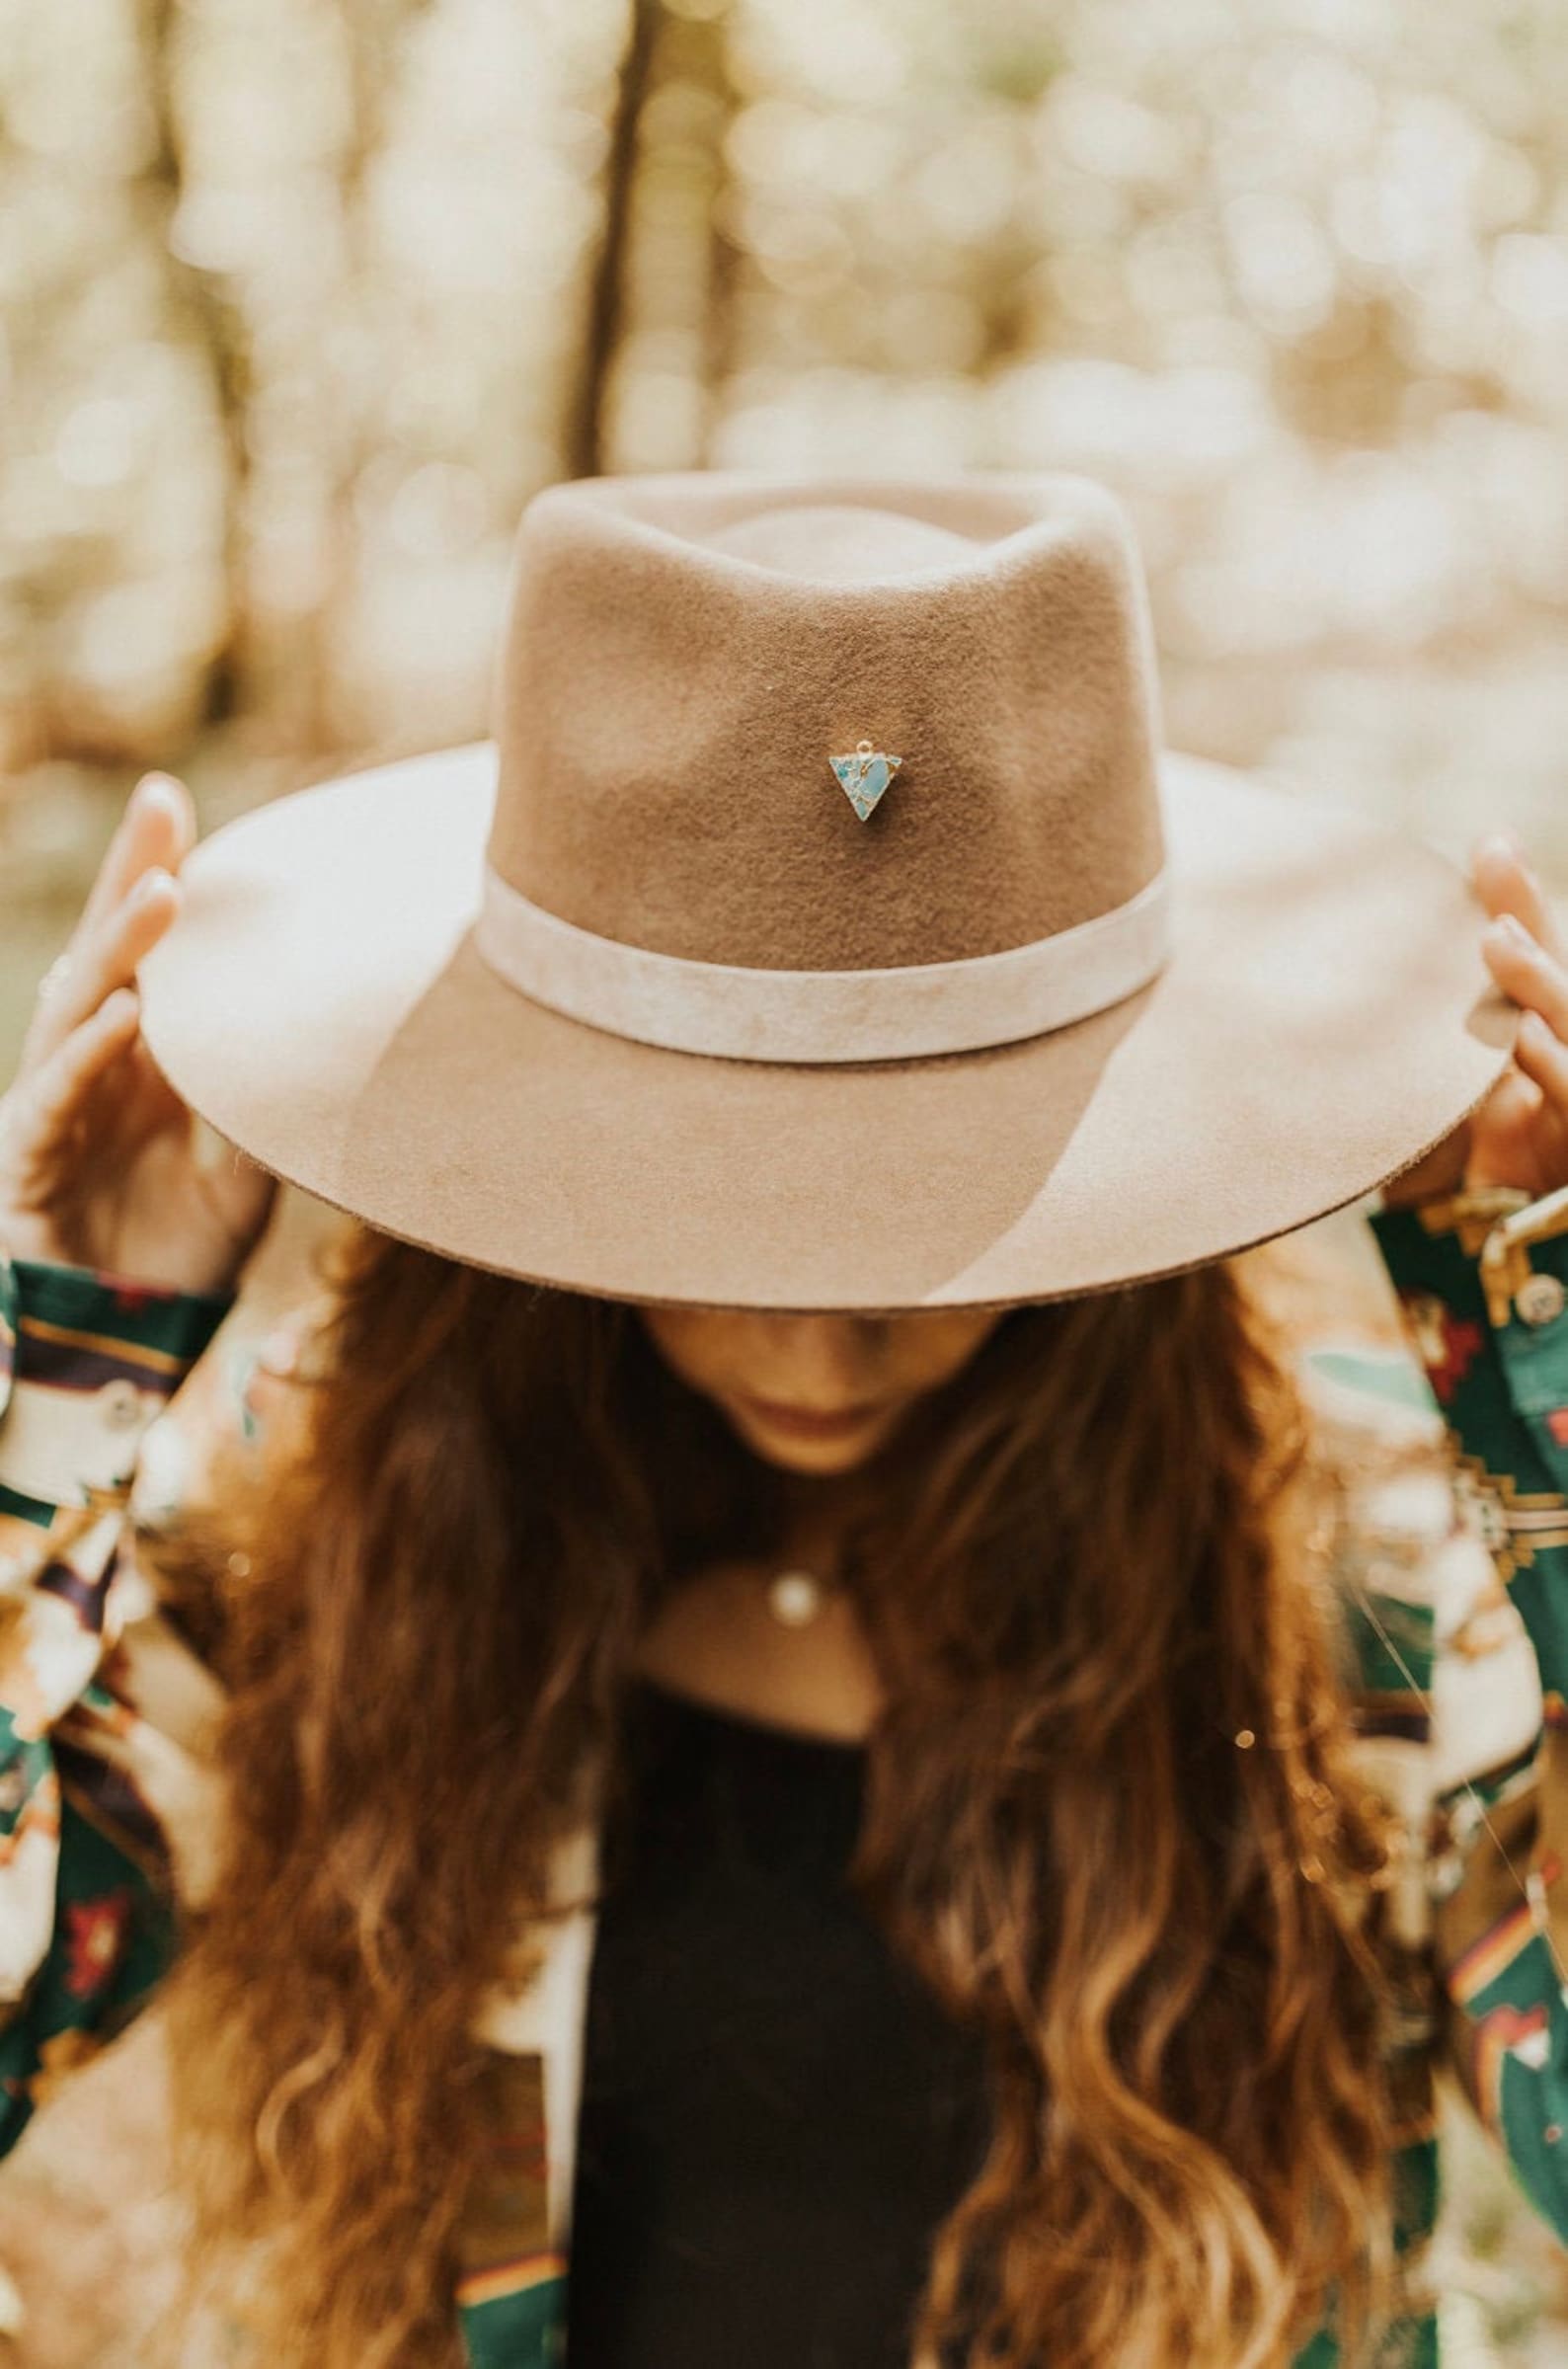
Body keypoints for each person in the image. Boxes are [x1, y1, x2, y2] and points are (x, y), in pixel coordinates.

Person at [1, 469, 1567, 2369]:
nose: (818, 1353)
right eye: (702, 1217)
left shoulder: (1354, 1572)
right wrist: (64, 1362)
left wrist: (1546, 1416)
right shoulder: (320, 1512)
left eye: (940, 1225)